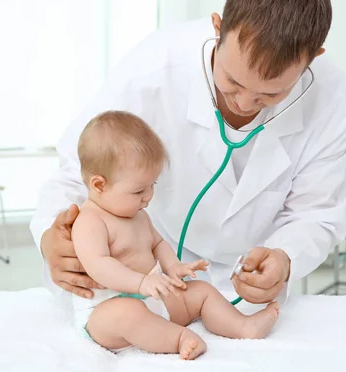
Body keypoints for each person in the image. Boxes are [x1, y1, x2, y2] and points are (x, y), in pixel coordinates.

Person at [31, 0, 346, 308]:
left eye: (269, 94)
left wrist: (285, 257)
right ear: (218, 28)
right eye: (231, 81)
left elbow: (316, 212)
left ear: (312, 58)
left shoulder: (331, 98)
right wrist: (51, 240)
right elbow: (78, 170)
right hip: (151, 264)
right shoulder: (154, 68)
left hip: (251, 279)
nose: (243, 104)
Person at [71, 110, 280, 359]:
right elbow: (99, 266)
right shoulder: (90, 221)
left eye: (152, 186)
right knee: (127, 314)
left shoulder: (137, 215)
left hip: (154, 296)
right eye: (139, 190)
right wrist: (141, 283)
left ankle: (243, 326)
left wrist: (173, 266)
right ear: (99, 185)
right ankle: (179, 338)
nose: (148, 196)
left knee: (201, 291)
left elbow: (157, 243)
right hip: (107, 310)